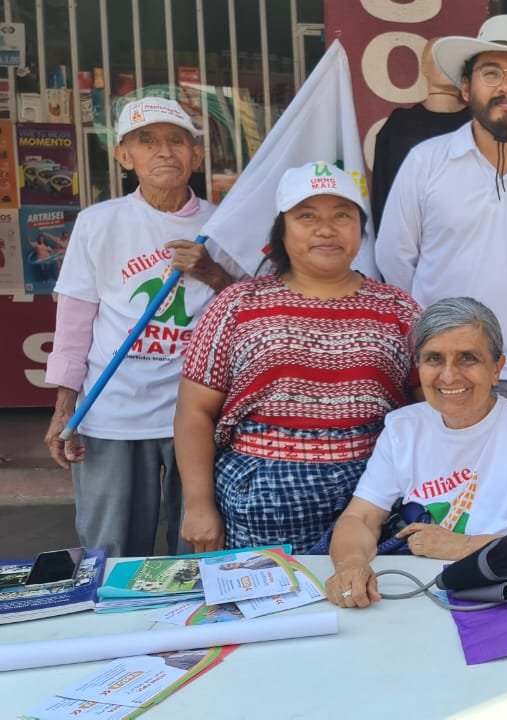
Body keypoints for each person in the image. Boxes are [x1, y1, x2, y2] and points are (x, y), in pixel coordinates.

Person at [175, 161, 420, 553]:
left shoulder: (398, 308)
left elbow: (430, 406)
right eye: (307, 216)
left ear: (360, 228)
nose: (326, 229)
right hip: (262, 504)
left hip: (374, 497)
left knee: (367, 590)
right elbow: (195, 412)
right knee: (270, 594)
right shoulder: (238, 304)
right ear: (281, 230)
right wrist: (198, 505)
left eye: (342, 215)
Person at [43, 97, 237, 557]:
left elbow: (251, 311)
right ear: (124, 156)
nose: (164, 151)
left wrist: (212, 273)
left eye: (176, 141)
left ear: (196, 155)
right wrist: (64, 409)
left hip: (197, 410)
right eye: (146, 141)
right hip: (111, 409)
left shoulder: (224, 225)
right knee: (109, 549)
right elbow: (73, 324)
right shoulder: (98, 222)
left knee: (198, 547)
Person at [324, 297, 507, 608]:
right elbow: (360, 517)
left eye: (468, 358)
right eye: (434, 359)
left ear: (497, 368)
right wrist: (351, 565)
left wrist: (466, 545)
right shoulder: (403, 428)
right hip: (418, 594)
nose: (449, 376)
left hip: (506, 597)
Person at [376, 14, 507, 415]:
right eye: (491, 73)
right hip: (443, 371)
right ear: (465, 87)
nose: (506, 87)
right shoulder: (426, 162)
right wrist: (435, 339)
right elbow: (395, 259)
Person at [369, 37, 470, 233]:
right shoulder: (400, 125)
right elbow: (383, 194)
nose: (445, 63)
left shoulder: (479, 125)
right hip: (411, 241)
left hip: (469, 239)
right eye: (437, 56)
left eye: (451, 57)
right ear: (424, 66)